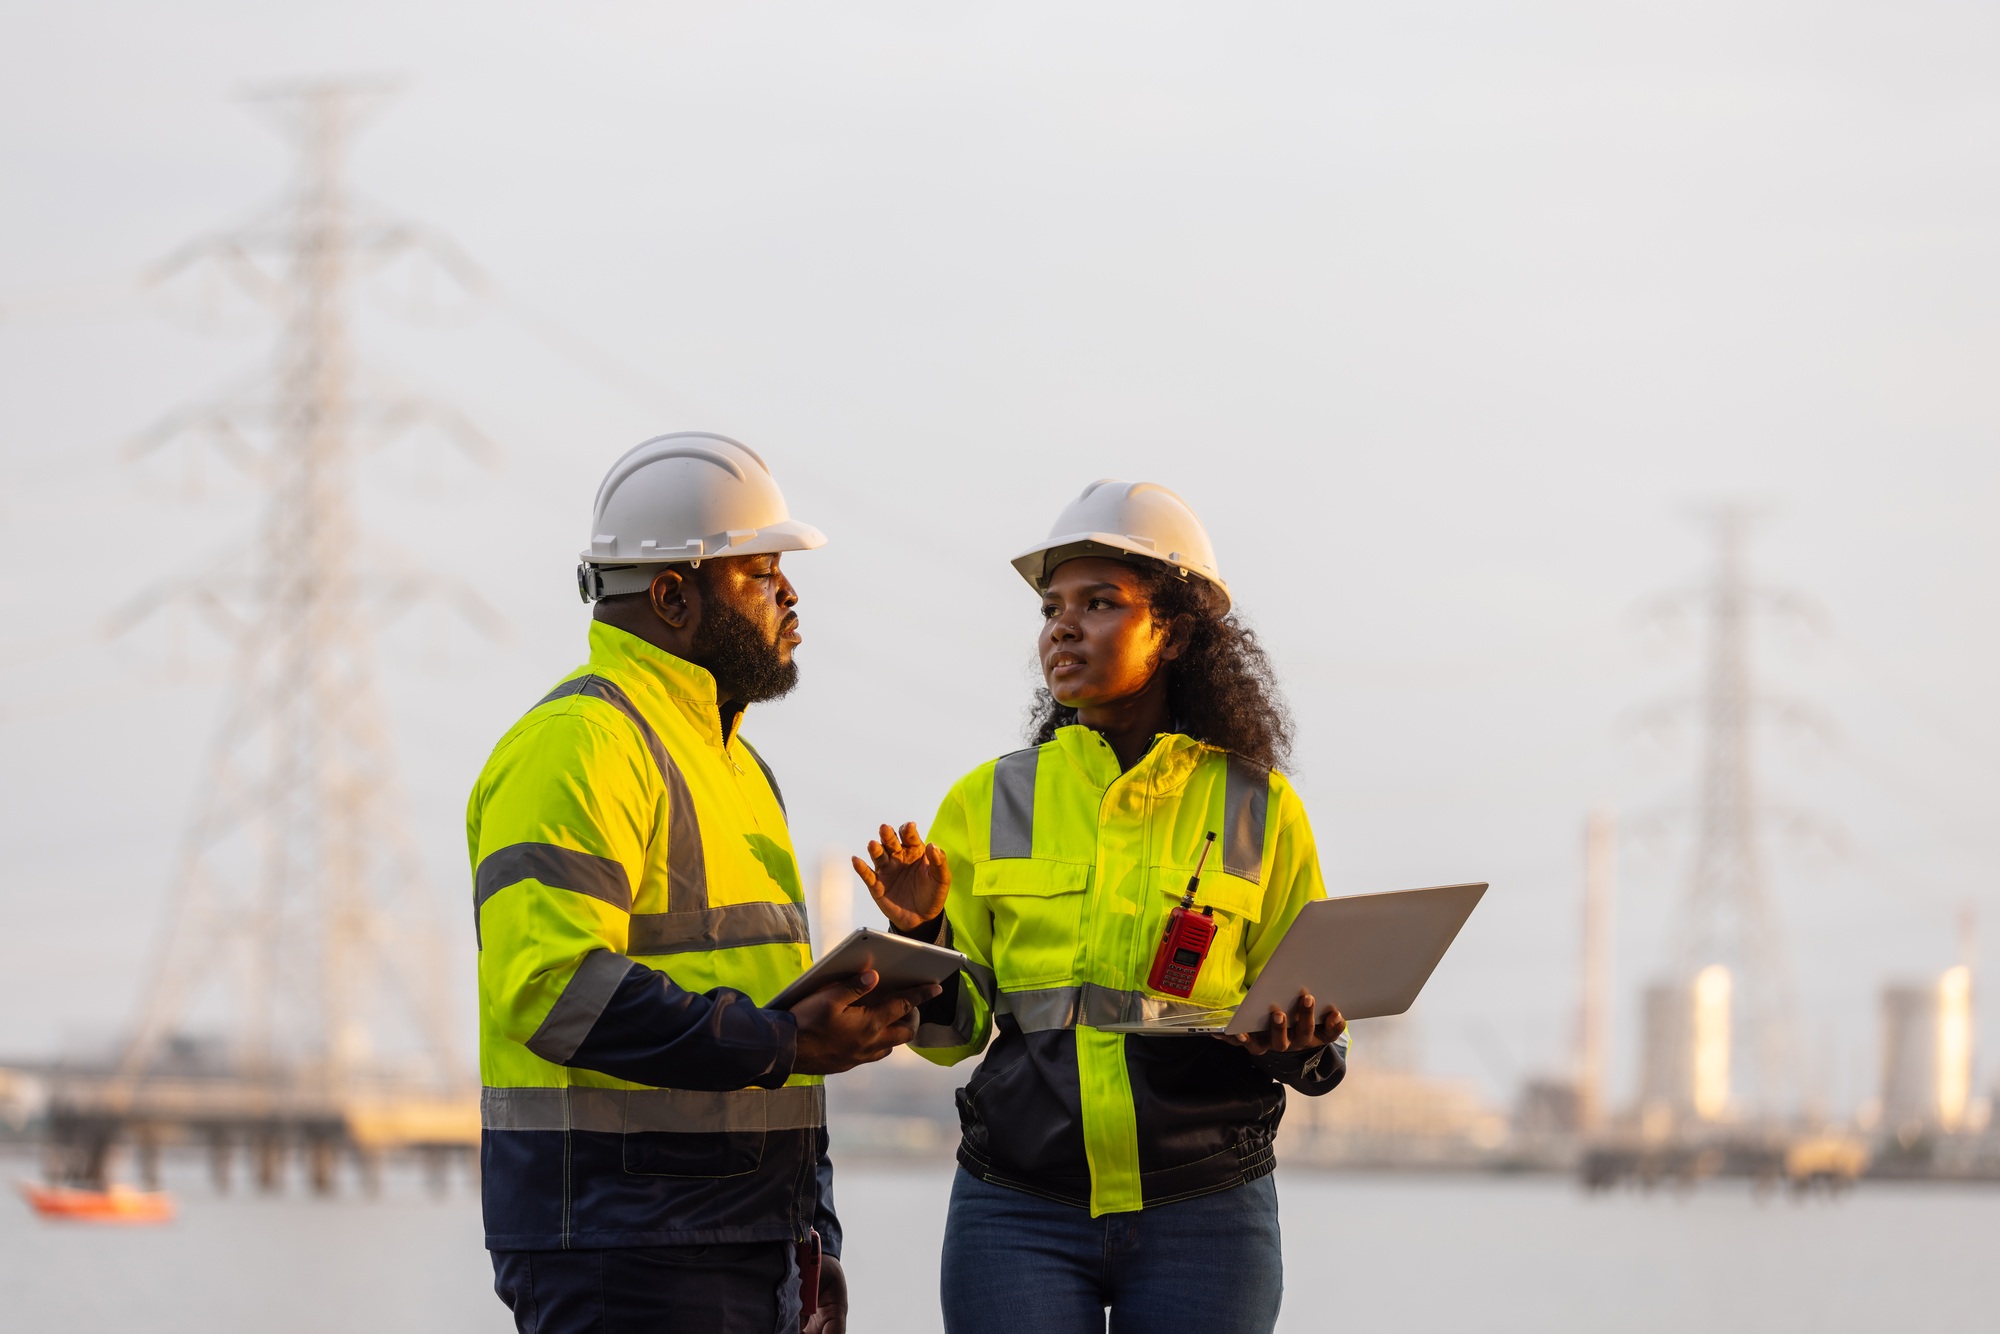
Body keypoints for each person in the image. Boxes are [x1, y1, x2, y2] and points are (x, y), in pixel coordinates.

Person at [853, 479, 1348, 1334]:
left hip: (1207, 1211)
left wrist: (1303, 1046)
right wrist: (922, 931)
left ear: (1176, 634)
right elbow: (951, 1038)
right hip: (1017, 1210)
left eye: (1100, 603)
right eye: (1052, 607)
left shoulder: (1257, 808)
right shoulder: (989, 799)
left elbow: (1317, 1019)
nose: (1063, 626)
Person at [470, 432, 939, 1334]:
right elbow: (552, 990)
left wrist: (814, 1235)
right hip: (625, 1249)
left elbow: (787, 1023)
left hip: (746, 1243)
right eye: (762, 572)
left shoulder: (738, 769)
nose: (791, 595)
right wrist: (778, 1042)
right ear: (673, 596)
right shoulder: (580, 746)